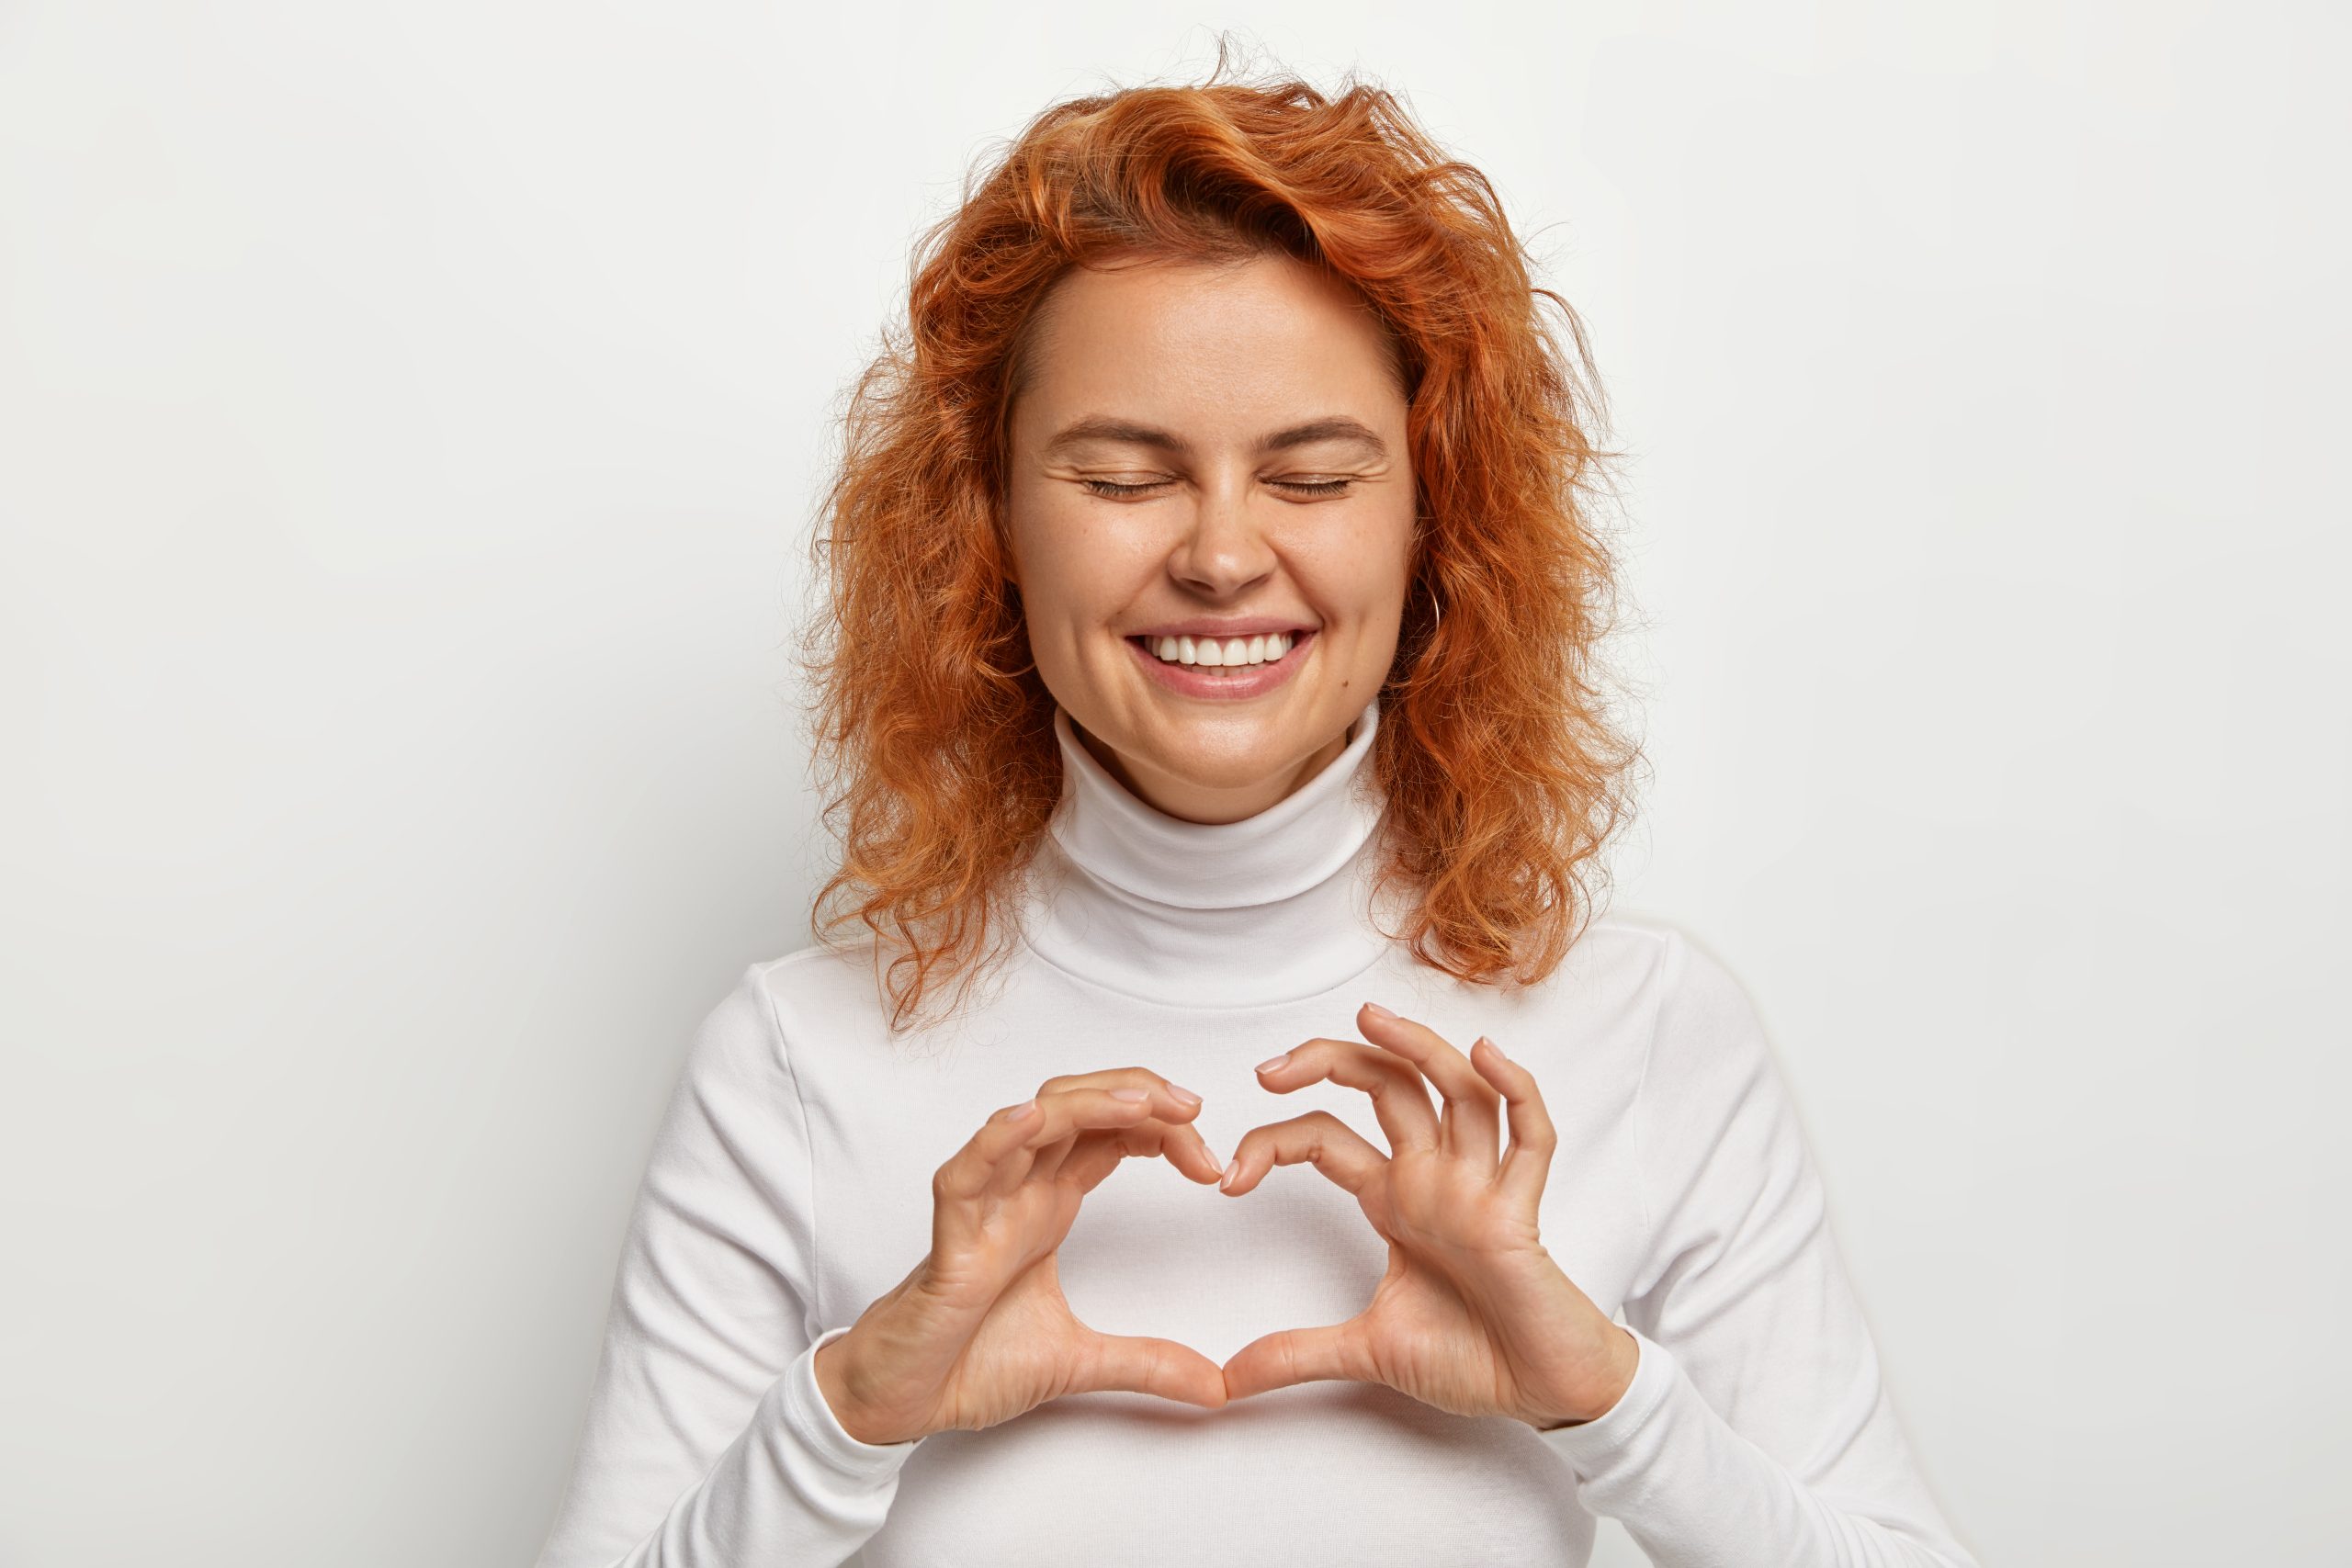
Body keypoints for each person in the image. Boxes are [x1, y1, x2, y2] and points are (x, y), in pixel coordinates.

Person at [531, 51, 1981, 1568]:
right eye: (1122, 474)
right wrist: (845, 1417)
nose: (1223, 558)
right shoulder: (790, 1065)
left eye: (1310, 476)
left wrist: (1608, 1405)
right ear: (992, 523)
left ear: (1436, 522)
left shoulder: (1651, 1036)